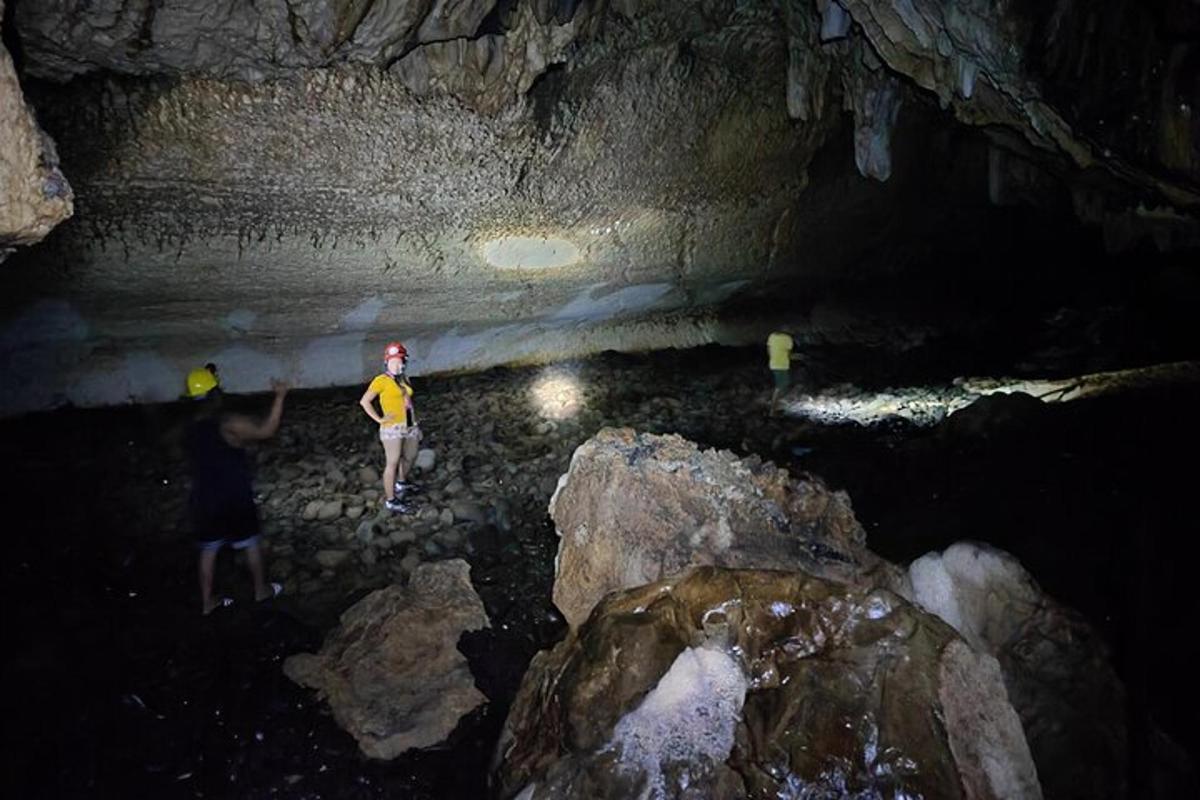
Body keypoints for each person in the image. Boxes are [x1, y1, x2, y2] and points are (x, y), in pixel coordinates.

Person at [184, 366, 288, 615]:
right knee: (250, 543)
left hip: (204, 498)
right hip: (234, 497)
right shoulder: (228, 423)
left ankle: (208, 602)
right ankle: (260, 590)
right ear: (216, 393)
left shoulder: (191, 427)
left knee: (208, 551)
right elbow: (266, 430)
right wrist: (280, 397)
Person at [359, 341, 422, 513]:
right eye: (393, 361)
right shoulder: (381, 381)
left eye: (400, 361)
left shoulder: (404, 379)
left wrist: (414, 422)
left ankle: (401, 483)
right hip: (392, 427)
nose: (397, 364)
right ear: (387, 362)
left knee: (410, 456)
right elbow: (364, 402)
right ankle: (391, 500)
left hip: (409, 424)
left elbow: (408, 402)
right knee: (392, 462)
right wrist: (379, 419)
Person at [767, 330, 800, 417]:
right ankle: (772, 410)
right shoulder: (788, 339)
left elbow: (769, 350)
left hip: (773, 364)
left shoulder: (772, 336)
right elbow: (789, 356)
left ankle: (777, 405)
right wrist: (799, 357)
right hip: (782, 366)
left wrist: (774, 357)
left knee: (785, 384)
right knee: (779, 387)